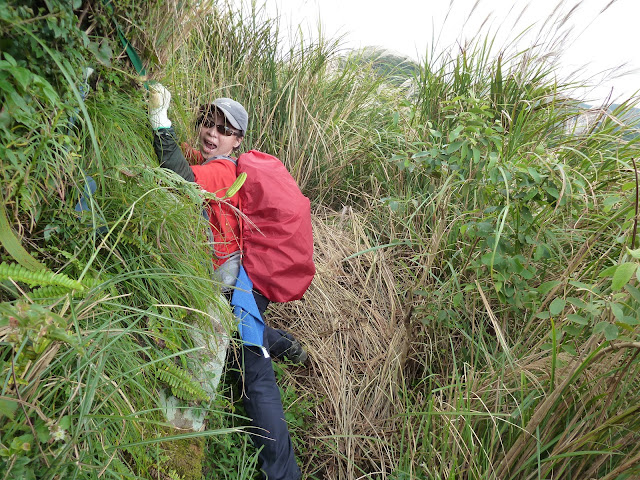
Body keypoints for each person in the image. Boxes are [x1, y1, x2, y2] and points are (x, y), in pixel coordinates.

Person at [148, 83, 303, 480]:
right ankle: (286, 345)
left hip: (236, 288)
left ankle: (283, 474)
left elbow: (181, 179)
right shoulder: (214, 161)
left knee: (255, 376)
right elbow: (188, 159)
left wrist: (160, 124)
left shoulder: (221, 169)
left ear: (237, 141)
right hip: (235, 280)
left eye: (223, 129)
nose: (211, 132)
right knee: (242, 338)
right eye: (208, 122)